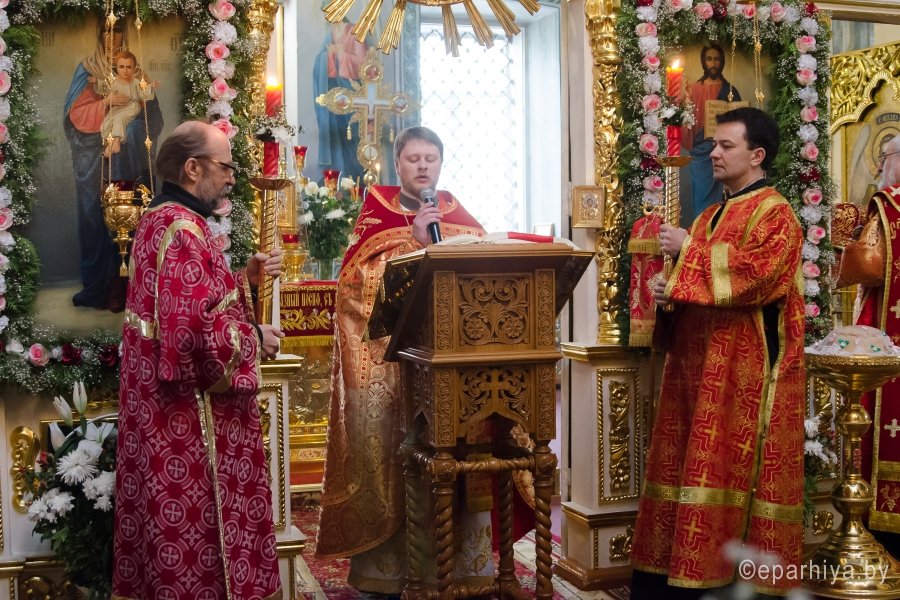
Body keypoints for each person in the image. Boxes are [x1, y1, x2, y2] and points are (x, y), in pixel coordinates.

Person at [631, 107, 806, 597]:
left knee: (727, 469)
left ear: (757, 154)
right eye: (714, 145)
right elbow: (696, 285)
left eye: (727, 146)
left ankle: (725, 580)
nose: (714, 154)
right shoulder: (709, 215)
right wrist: (669, 295)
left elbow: (758, 278)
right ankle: (672, 576)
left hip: (741, 373)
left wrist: (689, 250)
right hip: (695, 369)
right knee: (686, 466)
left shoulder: (777, 214)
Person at [316, 126, 497, 595]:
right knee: (398, 462)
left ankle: (458, 571)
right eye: (414, 158)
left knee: (454, 460)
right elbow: (353, 292)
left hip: (450, 366)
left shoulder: (458, 215)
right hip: (393, 369)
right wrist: (412, 245)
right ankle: (388, 574)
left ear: (441, 163)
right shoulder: (377, 214)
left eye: (430, 158)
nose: (422, 166)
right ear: (397, 164)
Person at [112, 121, 285, 600]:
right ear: (192, 168)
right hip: (188, 427)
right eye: (225, 166)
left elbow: (193, 308)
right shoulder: (183, 230)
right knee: (198, 556)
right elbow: (193, 341)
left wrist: (245, 281)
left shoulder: (160, 220)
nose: (231, 177)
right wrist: (254, 337)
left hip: (161, 422)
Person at [63, 19, 164, 311]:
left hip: (128, 164)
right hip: (94, 160)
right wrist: (105, 103)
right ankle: (98, 289)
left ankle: (130, 291)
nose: (112, 36)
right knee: (94, 218)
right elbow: (73, 118)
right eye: (107, 30)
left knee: (132, 217)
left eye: (118, 30)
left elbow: (153, 119)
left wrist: (133, 131)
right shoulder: (88, 70)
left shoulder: (136, 73)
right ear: (99, 33)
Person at [844, 136, 900, 550]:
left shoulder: (888, 206)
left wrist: (846, 243)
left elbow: (869, 266)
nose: (881, 166)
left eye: (885, 157)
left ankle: (883, 536)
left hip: (888, 343)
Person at [682, 44, 742, 221]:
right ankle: (700, 229)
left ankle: (718, 229)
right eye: (709, 59)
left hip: (724, 151)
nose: (713, 63)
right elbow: (687, 122)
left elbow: (740, 123)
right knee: (701, 197)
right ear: (703, 62)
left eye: (717, 59)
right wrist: (685, 101)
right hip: (700, 153)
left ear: (722, 62)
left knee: (723, 199)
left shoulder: (730, 91)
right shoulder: (694, 89)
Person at [312, 15, 369, 180]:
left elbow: (364, 64)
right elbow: (320, 60)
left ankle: (355, 177)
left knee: (352, 136)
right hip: (332, 93)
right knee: (335, 135)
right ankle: (336, 176)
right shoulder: (330, 33)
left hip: (351, 93)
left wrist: (341, 53)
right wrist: (327, 56)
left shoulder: (354, 31)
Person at [94, 50, 159, 157]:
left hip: (131, 107)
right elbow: (105, 87)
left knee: (119, 119)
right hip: (118, 108)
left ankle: (117, 142)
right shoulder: (114, 81)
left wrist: (151, 86)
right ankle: (109, 145)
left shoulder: (135, 82)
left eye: (129, 67)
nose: (125, 70)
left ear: (133, 68)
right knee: (106, 123)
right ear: (116, 68)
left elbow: (142, 93)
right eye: (121, 67)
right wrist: (96, 81)